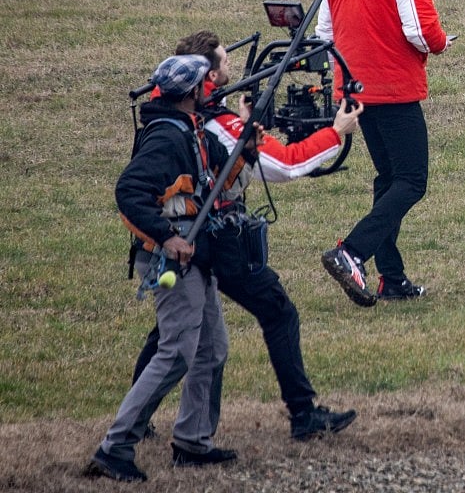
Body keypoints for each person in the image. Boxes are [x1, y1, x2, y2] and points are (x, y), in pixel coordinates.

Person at [130, 31, 362, 443]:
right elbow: (286, 165)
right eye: (224, 62)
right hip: (214, 243)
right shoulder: (218, 126)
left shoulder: (185, 117)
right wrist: (337, 132)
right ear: (211, 77)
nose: (231, 67)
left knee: (176, 332)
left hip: (189, 242)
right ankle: (303, 414)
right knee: (275, 310)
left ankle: (141, 422)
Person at [90, 54, 256, 483]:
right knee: (178, 352)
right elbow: (129, 192)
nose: (212, 89)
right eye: (206, 85)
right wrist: (168, 237)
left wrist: (248, 138)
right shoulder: (167, 138)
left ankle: (192, 442)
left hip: (196, 256)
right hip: (172, 259)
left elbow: (226, 168)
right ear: (191, 93)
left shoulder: (193, 128)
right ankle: (115, 447)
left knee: (211, 348)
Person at [317, 0, 453, 306]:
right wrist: (443, 42)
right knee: (412, 181)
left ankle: (391, 277)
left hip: (354, 90)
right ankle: (353, 251)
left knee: (389, 178)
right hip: (393, 88)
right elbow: (421, 31)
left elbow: (324, 31)